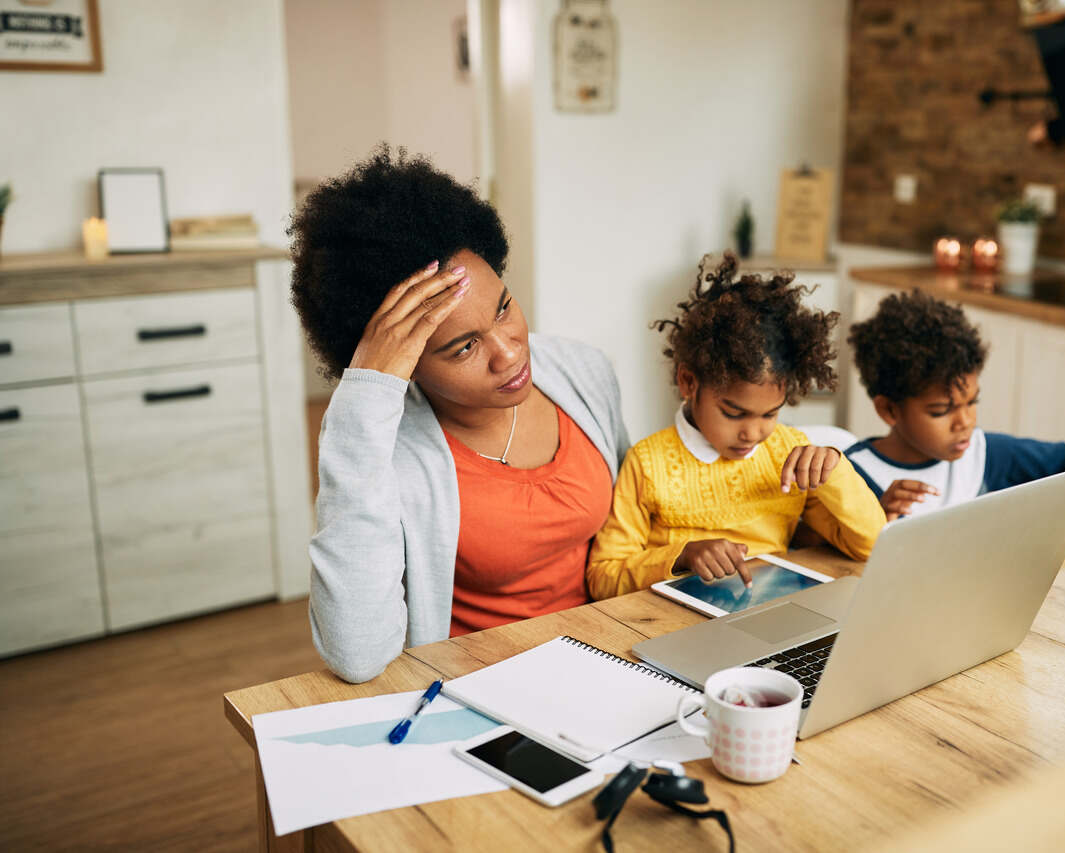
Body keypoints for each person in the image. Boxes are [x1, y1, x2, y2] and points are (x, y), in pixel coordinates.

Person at [292, 146, 629, 683]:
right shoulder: (386, 446)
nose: (511, 353)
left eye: (503, 307)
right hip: (481, 692)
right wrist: (365, 397)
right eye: (464, 347)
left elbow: (635, 530)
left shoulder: (581, 372)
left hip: (614, 660)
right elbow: (356, 654)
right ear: (406, 365)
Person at [586, 253, 885, 599]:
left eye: (770, 414)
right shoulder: (648, 463)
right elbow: (603, 577)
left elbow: (872, 547)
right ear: (688, 382)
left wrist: (836, 472)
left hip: (769, 614)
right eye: (733, 413)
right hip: (669, 621)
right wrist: (682, 555)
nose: (754, 433)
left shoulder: (787, 452)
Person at [844, 290, 1065, 521]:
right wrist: (876, 516)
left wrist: (1060, 509)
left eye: (972, 402)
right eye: (941, 411)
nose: (965, 421)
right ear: (889, 410)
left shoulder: (982, 455)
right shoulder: (851, 476)